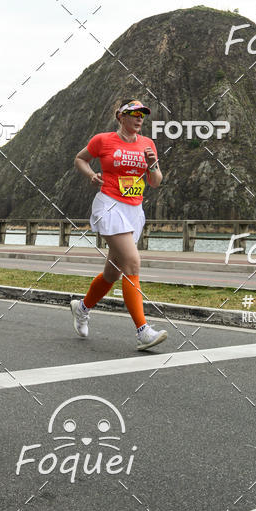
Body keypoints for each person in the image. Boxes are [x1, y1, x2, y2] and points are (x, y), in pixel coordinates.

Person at [72, 99, 168, 351]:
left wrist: (152, 165)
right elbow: (80, 159)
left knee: (112, 274)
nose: (139, 119)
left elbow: (155, 181)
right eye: (133, 114)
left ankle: (82, 308)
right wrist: (91, 175)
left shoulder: (147, 144)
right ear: (120, 116)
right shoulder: (103, 140)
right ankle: (142, 331)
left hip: (134, 210)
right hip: (109, 206)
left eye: (142, 115)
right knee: (133, 262)